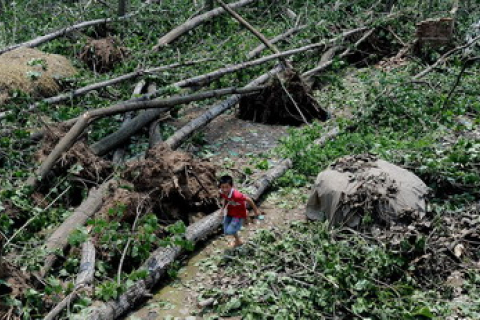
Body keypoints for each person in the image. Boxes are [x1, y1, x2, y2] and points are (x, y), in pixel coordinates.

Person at [218, 175, 261, 247]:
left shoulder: (237, 195)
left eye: (227, 187)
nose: (224, 189)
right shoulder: (222, 192)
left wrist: (256, 211)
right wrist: (223, 209)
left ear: (231, 186)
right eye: (222, 187)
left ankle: (245, 215)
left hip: (239, 213)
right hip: (231, 210)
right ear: (220, 187)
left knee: (230, 230)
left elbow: (249, 199)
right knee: (226, 229)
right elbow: (226, 198)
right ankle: (238, 240)